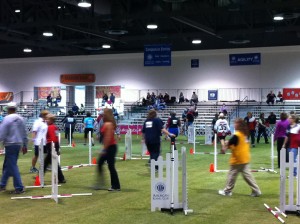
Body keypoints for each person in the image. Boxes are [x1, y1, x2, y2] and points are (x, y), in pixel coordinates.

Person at [218, 118, 261, 197]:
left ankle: (227, 191)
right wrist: (228, 144)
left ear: (239, 125)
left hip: (238, 159)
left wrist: (224, 148)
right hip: (245, 158)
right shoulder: (244, 134)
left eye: (236, 123)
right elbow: (235, 144)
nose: (234, 125)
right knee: (248, 176)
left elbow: (230, 143)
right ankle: (256, 191)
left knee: (231, 175)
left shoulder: (237, 135)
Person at [0, 102, 28, 194]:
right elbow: (24, 133)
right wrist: (25, 145)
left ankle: (19, 187)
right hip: (18, 144)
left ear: (8, 109)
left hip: (10, 144)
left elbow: (2, 132)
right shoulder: (21, 119)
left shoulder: (7, 119)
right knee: (9, 164)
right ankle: (2, 184)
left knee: (12, 165)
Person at [94, 108, 120, 191]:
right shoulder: (109, 123)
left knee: (109, 166)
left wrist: (104, 149)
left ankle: (114, 186)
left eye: (104, 113)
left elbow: (108, 138)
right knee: (104, 165)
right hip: (111, 147)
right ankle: (106, 184)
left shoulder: (108, 124)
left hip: (110, 147)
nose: (102, 115)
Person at [43, 114, 66, 184]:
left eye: (47, 119)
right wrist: (57, 148)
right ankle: (61, 178)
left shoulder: (50, 127)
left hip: (51, 145)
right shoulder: (55, 127)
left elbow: (53, 138)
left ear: (51, 120)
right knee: (53, 163)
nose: (46, 120)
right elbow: (56, 138)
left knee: (46, 162)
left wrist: (52, 148)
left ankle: (39, 176)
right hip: (55, 145)